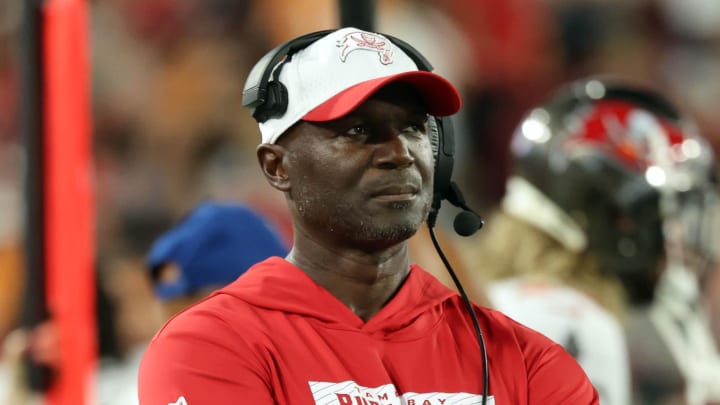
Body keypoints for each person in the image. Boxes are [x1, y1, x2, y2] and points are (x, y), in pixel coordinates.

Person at [138, 27, 598, 404]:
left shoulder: (524, 360)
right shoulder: (211, 346)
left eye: (414, 128)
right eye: (359, 130)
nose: (399, 153)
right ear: (278, 167)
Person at [461, 76, 715, 405]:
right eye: (664, 213)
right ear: (616, 215)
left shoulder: (496, 297)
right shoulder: (574, 320)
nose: (677, 238)